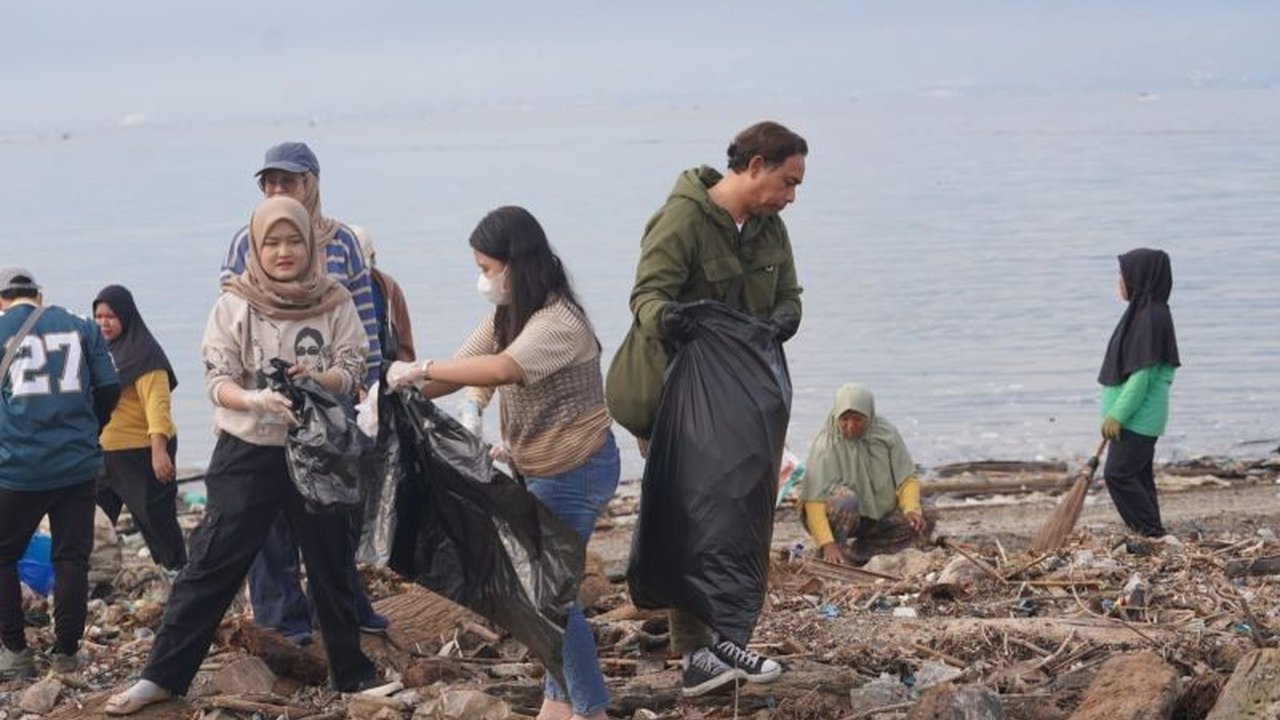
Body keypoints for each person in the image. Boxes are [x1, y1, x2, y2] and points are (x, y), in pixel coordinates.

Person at [106, 197, 389, 715]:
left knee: (330, 561)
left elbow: (353, 368)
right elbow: (217, 382)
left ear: (310, 244)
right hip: (247, 449)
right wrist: (255, 397)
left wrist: (318, 380)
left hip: (318, 450)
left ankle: (352, 672)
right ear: (256, 247)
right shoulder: (235, 303)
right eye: (272, 242)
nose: (284, 252)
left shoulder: (336, 299)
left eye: (294, 240)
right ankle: (162, 675)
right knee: (212, 562)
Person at [387, 206, 618, 720]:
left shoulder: (560, 321)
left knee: (548, 597)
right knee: (541, 592)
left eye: (488, 268)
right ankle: (558, 705)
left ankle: (591, 709)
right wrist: (391, 387)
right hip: (537, 469)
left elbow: (503, 368)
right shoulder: (507, 316)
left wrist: (420, 368)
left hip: (576, 468)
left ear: (518, 264)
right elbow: (458, 370)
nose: (483, 279)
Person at [605, 120, 806, 695]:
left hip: (741, 403)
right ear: (756, 166)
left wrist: (785, 320)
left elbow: (790, 293)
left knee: (742, 511)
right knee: (693, 517)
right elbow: (646, 295)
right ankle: (695, 654)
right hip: (676, 396)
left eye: (797, 186)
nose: (791, 196)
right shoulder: (684, 219)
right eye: (787, 182)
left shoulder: (770, 230)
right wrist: (673, 319)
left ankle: (728, 636)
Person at [222, 141, 387, 644]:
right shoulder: (245, 241)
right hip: (267, 403)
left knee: (332, 506)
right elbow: (232, 321)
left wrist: (369, 388)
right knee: (269, 515)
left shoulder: (342, 242)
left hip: (330, 397)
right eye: (270, 183)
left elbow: (362, 317)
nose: (278, 190)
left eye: (288, 181)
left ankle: (340, 606)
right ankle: (281, 618)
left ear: (312, 183)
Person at [0, 268, 120, 679]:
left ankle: (15, 653)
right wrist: (90, 430)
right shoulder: (81, 325)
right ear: (38, 295)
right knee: (72, 558)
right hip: (77, 466)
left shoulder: (1, 330)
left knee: (4, 555)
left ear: (2, 300)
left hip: (19, 469)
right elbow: (109, 389)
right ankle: (66, 653)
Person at [92, 285, 187, 572]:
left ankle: (179, 574)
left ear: (127, 316)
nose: (103, 323)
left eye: (111, 316)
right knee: (93, 521)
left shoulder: (145, 354)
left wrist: (159, 451)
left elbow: (157, 406)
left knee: (156, 521)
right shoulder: (99, 354)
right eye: (98, 317)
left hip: (142, 453)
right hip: (104, 454)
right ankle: (98, 577)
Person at [799, 383, 935, 566]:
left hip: (877, 515)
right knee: (847, 500)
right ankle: (833, 551)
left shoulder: (886, 434)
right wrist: (827, 542)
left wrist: (911, 508)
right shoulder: (825, 444)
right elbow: (813, 501)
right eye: (844, 419)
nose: (850, 426)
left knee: (927, 512)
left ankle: (860, 553)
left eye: (858, 419)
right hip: (840, 517)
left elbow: (906, 478)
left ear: (869, 415)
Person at [1098, 248, 1179, 538]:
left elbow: (1142, 377)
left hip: (1137, 417)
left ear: (1139, 278)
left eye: (1123, 275)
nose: (1119, 281)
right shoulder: (1143, 313)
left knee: (1118, 475)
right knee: (1138, 474)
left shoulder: (1151, 317)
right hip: (1136, 417)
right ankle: (1152, 529)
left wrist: (1116, 414)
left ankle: (1150, 531)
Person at [350, 225, 417, 363]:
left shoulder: (388, 288)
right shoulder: (331, 292)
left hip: (385, 371)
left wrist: (404, 372)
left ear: (373, 258)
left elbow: (405, 343)